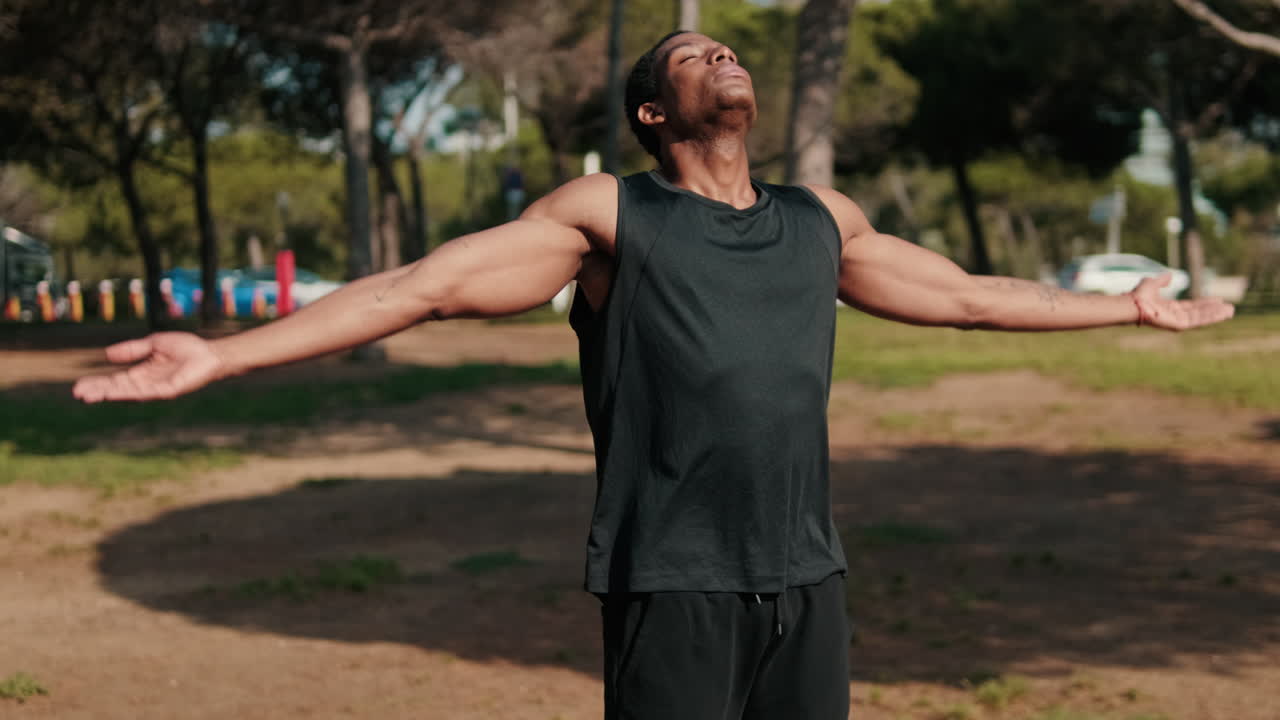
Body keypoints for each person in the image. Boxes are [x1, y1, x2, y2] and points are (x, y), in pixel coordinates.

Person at [73, 31, 1235, 720]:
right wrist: (221, 352)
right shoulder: (605, 218)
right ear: (651, 112)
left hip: (806, 579)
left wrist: (1123, 306)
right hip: (672, 580)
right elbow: (417, 287)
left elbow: (978, 298)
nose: (718, 54)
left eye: (724, 48)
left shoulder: (819, 218)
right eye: (690, 57)